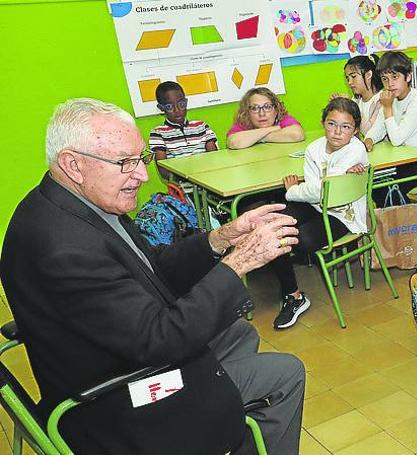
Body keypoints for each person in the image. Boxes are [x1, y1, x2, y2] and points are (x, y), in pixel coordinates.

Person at [0, 98, 305, 454]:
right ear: (73, 164)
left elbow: (151, 268)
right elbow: (161, 339)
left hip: (118, 354)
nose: (143, 175)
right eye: (125, 163)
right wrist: (239, 263)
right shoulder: (64, 249)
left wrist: (221, 238)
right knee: (286, 373)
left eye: (141, 158)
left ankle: (229, 406)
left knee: (238, 332)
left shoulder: (77, 203)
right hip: (117, 402)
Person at [268, 97, 369, 329]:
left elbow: (321, 191)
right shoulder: (314, 148)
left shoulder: (356, 148)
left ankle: (292, 294)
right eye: (331, 124)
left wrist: (292, 191)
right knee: (275, 226)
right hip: (315, 206)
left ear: (354, 130)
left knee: (301, 239)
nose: (337, 132)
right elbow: (317, 192)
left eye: (345, 127)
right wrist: (305, 192)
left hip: (344, 216)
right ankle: (293, 297)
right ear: (323, 123)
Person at [363, 51, 417, 204]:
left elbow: (397, 140)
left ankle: (403, 223)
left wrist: (387, 109)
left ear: (408, 76)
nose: (390, 84)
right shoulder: (390, 98)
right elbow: (379, 127)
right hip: (404, 160)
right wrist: (369, 139)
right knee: (374, 181)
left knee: (387, 186)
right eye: (385, 79)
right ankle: (392, 221)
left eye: (395, 77)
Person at [149, 81, 217, 180]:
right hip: (181, 186)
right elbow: (164, 171)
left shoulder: (201, 126)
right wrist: (188, 179)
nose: (177, 110)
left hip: (209, 179)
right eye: (169, 107)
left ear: (186, 102)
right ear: (161, 108)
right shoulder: (158, 133)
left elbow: (214, 158)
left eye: (181, 104)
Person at [226, 87, 305, 149]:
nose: (262, 113)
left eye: (267, 107)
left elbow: (297, 135)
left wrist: (258, 138)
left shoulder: (283, 118)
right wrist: (273, 129)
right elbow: (234, 143)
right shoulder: (244, 123)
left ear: (276, 109)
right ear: (247, 112)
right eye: (254, 108)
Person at [331, 55, 382, 136]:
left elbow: (367, 131)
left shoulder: (381, 100)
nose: (349, 82)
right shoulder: (357, 99)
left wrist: (350, 106)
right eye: (347, 78)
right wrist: (342, 106)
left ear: (368, 75)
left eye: (353, 76)